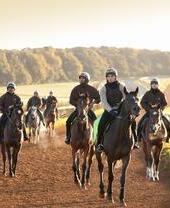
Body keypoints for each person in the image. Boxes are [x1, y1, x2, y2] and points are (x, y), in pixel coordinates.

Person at [65, 72, 100, 144]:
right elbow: (71, 100)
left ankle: (96, 138)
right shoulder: (75, 89)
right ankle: (68, 137)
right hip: (78, 111)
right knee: (68, 121)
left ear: (87, 79)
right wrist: (78, 105)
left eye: (83, 78)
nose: (81, 79)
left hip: (88, 110)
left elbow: (98, 98)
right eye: (80, 78)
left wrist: (93, 103)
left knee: (96, 122)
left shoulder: (92, 89)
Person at [96, 67, 126, 152]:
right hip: (109, 111)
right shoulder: (103, 89)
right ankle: (100, 144)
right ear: (106, 78)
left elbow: (125, 98)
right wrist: (111, 110)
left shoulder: (121, 86)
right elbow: (104, 102)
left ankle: (135, 140)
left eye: (112, 76)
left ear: (115, 77)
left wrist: (121, 108)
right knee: (101, 124)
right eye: (108, 76)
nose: (110, 78)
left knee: (132, 121)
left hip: (120, 110)